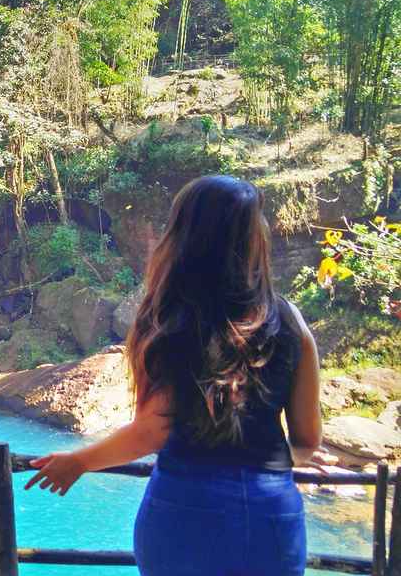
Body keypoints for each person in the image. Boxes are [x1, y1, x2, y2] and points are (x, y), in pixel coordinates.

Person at [25, 175, 322, 576]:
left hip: (187, 509)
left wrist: (79, 461)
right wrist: (254, 478)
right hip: (273, 512)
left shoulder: (170, 320)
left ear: (183, 237)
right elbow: (308, 439)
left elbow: (153, 430)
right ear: (254, 239)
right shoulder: (289, 320)